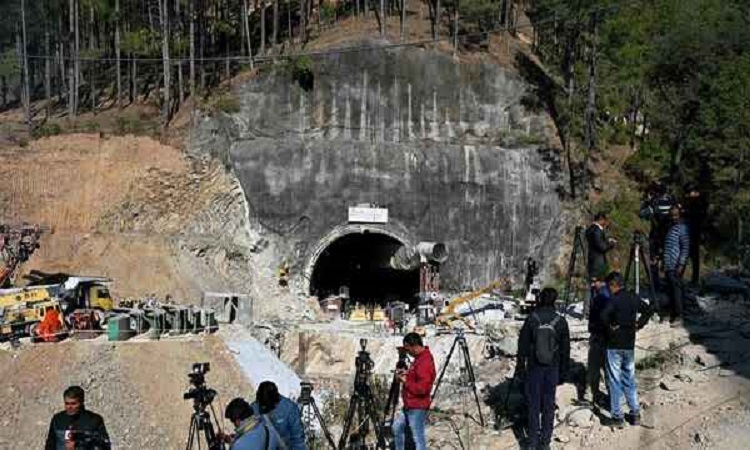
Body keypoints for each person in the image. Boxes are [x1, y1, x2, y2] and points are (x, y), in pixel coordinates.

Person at [517, 288, 570, 450]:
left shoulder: (532, 319)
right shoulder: (561, 321)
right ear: (555, 300)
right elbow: (565, 351)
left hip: (534, 367)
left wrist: (520, 367)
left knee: (533, 405)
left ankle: (532, 442)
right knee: (548, 404)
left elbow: (523, 346)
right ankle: (545, 442)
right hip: (552, 368)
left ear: (539, 299)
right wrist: (563, 373)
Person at [600, 272, 653, 428]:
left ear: (613, 285)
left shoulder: (614, 300)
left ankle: (617, 416)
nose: (608, 291)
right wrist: (639, 324)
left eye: (609, 287)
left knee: (615, 381)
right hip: (629, 344)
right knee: (629, 379)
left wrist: (610, 328)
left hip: (614, 345)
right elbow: (649, 309)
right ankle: (635, 413)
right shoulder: (633, 297)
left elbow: (603, 316)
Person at [392, 332, 436, 450]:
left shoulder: (424, 362)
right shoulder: (419, 359)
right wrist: (407, 374)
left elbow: (423, 388)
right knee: (397, 427)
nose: (407, 352)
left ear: (414, 346)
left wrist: (405, 380)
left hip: (417, 406)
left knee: (418, 439)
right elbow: (417, 377)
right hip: (410, 405)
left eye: (408, 349)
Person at [45, 386, 110, 450]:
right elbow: (50, 444)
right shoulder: (58, 420)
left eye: (73, 404)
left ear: (81, 402)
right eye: (67, 403)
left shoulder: (94, 420)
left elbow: (104, 446)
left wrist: (78, 445)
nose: (69, 407)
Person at [639, 181, 676, 287]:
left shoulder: (654, 203)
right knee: (670, 259)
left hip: (656, 235)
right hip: (671, 235)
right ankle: (671, 282)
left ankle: (655, 283)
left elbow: (642, 214)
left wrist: (647, 202)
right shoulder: (671, 201)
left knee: (654, 259)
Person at [251, 381, 307, 450]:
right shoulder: (254, 407)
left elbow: (298, 439)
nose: (264, 408)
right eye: (262, 406)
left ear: (276, 401)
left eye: (267, 407)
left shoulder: (290, 408)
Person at [663, 206, 690, 326]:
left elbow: (685, 248)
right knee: (671, 290)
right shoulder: (670, 228)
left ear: (680, 215)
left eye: (675, 215)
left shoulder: (682, 229)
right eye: (672, 215)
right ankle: (672, 313)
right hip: (669, 264)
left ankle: (679, 316)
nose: (673, 217)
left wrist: (681, 264)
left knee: (677, 291)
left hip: (676, 265)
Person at [586, 278, 611, 406]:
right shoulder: (598, 293)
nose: (592, 283)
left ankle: (604, 397)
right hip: (602, 337)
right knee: (599, 369)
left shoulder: (603, 296)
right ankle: (600, 396)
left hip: (601, 338)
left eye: (594, 281)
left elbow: (599, 318)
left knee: (601, 369)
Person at [682, 183, 707, 284]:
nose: (687, 195)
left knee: (690, 255)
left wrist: (684, 212)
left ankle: (693, 279)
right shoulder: (696, 202)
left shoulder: (698, 202)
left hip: (694, 231)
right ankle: (693, 278)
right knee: (692, 256)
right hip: (693, 230)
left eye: (689, 193)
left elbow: (696, 216)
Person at [586, 212, 617, 283]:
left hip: (592, 260)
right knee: (599, 284)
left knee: (593, 284)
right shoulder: (597, 231)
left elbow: (597, 242)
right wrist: (611, 244)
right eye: (605, 220)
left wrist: (606, 241)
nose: (607, 222)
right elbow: (602, 247)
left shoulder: (590, 229)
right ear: (601, 219)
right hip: (598, 263)